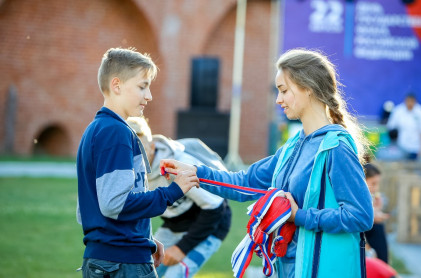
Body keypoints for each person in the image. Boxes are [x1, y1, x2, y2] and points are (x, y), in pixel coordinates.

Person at [161, 49, 374, 278]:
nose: (278, 99)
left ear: (308, 89)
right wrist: (194, 173)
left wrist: (298, 216)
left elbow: (360, 215)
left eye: (283, 90)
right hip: (289, 269)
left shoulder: (337, 148)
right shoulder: (294, 146)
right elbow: (245, 182)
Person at [76, 47, 199, 278]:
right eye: (142, 86)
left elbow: (87, 210)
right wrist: (173, 191)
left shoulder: (94, 130)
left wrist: (145, 239)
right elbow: (114, 203)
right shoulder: (116, 133)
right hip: (124, 263)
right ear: (117, 85)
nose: (149, 95)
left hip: (103, 259)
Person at [126, 116, 232, 278]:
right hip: (175, 223)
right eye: (129, 153)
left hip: (211, 224)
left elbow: (215, 207)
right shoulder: (125, 170)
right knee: (139, 270)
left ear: (152, 147)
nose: (135, 160)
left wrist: (182, 248)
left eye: (141, 152)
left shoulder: (178, 163)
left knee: (175, 275)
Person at [387, 93, 421, 160]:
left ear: (415, 101)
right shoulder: (398, 111)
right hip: (401, 147)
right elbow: (391, 128)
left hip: (415, 148)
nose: (410, 103)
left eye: (412, 101)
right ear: (405, 101)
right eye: (408, 101)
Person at [364, 163, 389, 264]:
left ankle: (383, 265)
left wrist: (377, 208)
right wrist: (374, 215)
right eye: (373, 183)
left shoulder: (371, 197)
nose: (376, 188)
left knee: (378, 226)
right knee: (377, 227)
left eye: (377, 184)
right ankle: (383, 265)